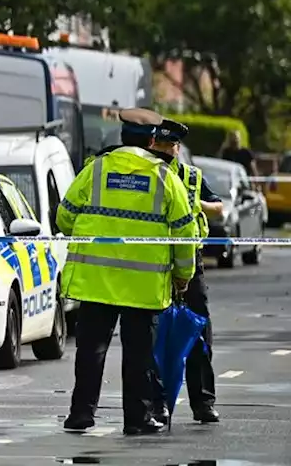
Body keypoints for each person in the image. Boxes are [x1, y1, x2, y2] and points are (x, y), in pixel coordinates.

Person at [58, 108, 198, 436]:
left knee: (90, 350)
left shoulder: (94, 171)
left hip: (96, 282)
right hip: (143, 286)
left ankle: (81, 414)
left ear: (121, 138)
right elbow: (185, 233)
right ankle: (137, 419)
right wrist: (184, 275)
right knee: (139, 355)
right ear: (152, 140)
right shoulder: (166, 178)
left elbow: (63, 219)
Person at [156, 118, 224, 424]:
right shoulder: (149, 174)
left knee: (197, 331)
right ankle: (157, 403)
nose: (167, 150)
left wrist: (196, 204)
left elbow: (218, 206)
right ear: (151, 144)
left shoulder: (191, 176)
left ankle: (203, 402)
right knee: (155, 336)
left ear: (178, 148)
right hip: (155, 261)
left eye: (171, 146)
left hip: (191, 261)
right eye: (161, 145)